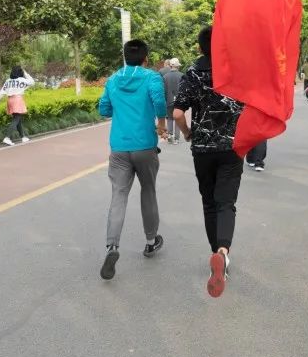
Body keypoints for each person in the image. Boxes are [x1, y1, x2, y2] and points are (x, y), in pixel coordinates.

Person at [173, 26, 245, 298]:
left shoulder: (193, 72)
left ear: (200, 47)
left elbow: (178, 113)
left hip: (202, 149)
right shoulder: (236, 71)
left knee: (209, 203)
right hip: (232, 147)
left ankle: (216, 251)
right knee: (226, 202)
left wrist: (187, 133)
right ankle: (223, 253)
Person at [96, 39, 168, 280]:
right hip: (145, 146)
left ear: (125, 57)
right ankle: (151, 242)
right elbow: (159, 101)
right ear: (146, 58)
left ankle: (112, 246)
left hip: (119, 148)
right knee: (148, 190)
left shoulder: (113, 79)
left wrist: (119, 108)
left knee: (118, 195)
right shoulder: (151, 77)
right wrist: (160, 123)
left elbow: (104, 109)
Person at [0, 66, 36, 146]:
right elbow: (32, 82)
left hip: (10, 100)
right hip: (18, 100)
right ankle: (7, 137)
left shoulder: (8, 81)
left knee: (17, 119)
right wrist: (25, 73)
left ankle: (23, 137)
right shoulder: (22, 80)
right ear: (20, 72)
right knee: (16, 119)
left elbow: (2, 92)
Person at [162, 58, 183, 144]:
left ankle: (170, 136)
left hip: (169, 101)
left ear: (170, 66)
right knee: (178, 119)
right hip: (179, 102)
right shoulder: (182, 76)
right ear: (178, 66)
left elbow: (163, 91)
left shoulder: (165, 77)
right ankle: (177, 139)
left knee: (170, 118)